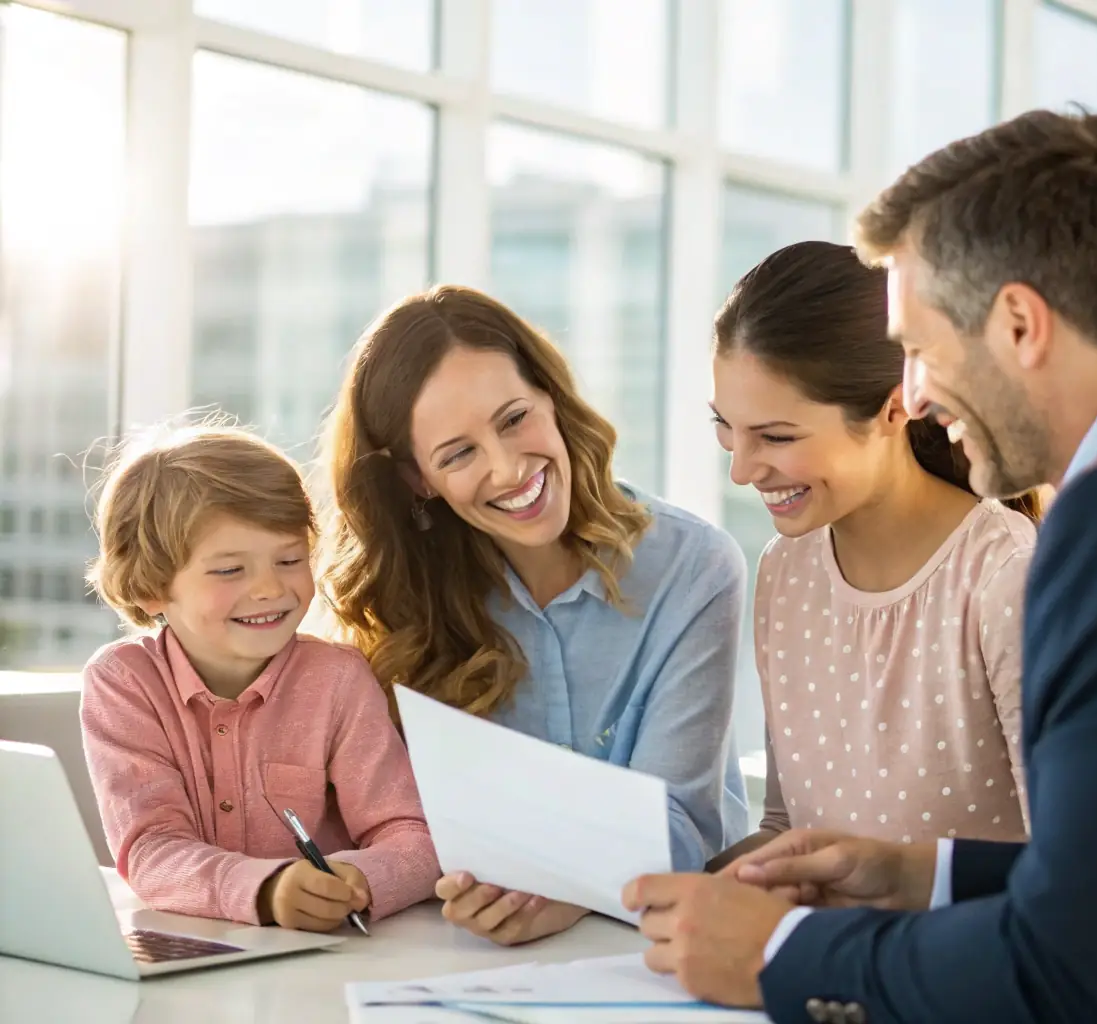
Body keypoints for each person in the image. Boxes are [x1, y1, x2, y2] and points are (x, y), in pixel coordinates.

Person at [623, 109, 1097, 1023]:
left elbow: (1078, 972)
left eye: (923, 350)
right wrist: (918, 873)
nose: (917, 394)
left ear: (1017, 323)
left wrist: (779, 957)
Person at [320, 285, 749, 946]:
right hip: (451, 954)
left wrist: (565, 885)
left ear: (551, 396)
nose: (507, 468)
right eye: (457, 454)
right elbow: (388, 817)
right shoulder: (406, 598)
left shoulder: (694, 567)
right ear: (417, 481)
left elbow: (680, 832)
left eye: (514, 417)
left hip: (651, 951)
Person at [708, 240, 1036, 867]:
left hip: (953, 961)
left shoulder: (1004, 579)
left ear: (894, 407)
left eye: (775, 436)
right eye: (725, 427)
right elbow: (784, 827)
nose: (742, 471)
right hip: (821, 956)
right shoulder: (785, 568)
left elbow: (1069, 871)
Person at [81, 426, 441, 931]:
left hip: (329, 960)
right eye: (230, 570)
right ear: (151, 587)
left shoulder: (337, 678)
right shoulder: (122, 683)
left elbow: (415, 836)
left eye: (290, 560)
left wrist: (355, 880)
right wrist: (266, 890)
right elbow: (150, 850)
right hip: (200, 959)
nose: (270, 587)